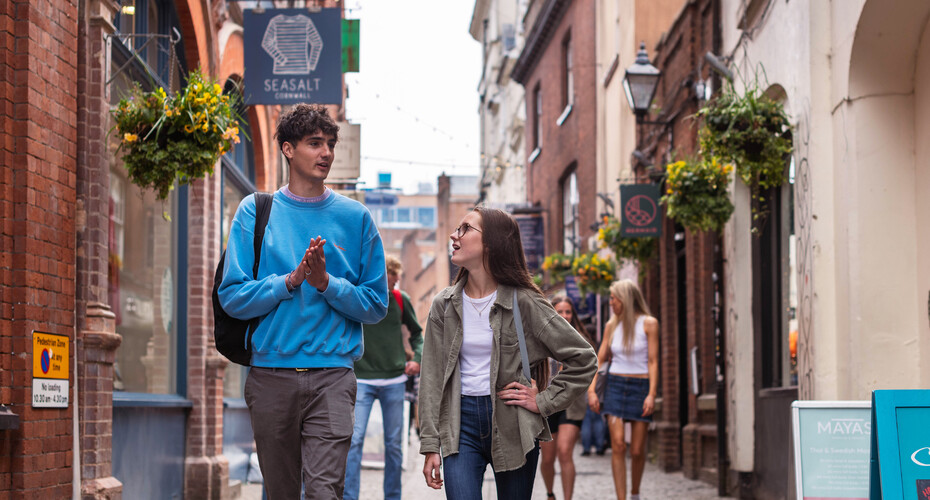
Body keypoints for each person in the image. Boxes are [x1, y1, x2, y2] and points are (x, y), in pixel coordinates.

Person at [218, 103, 388, 500]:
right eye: (315, 143)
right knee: (280, 493)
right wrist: (290, 281)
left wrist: (327, 283)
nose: (326, 152)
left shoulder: (356, 217)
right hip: (270, 377)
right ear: (288, 150)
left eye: (330, 143)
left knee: (324, 492)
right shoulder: (255, 211)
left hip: (333, 376)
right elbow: (232, 297)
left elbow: (376, 304)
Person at [419, 207, 598, 500]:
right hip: (459, 424)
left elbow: (584, 358)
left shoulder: (525, 302)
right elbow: (431, 377)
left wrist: (543, 401)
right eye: (456, 228)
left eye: (465, 229)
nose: (454, 235)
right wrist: (429, 445)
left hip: (513, 421)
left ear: (491, 243)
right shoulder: (444, 305)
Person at [344, 255, 423, 500]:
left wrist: (417, 359)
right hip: (362, 379)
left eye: (398, 276)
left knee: (394, 445)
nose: (397, 280)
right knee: (354, 442)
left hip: (394, 381)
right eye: (393, 275)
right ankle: (349, 497)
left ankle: (393, 497)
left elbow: (417, 334)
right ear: (380, 273)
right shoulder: (360, 296)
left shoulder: (400, 299)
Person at [587, 279, 659, 500]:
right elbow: (599, 359)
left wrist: (652, 394)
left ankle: (635, 494)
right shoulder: (611, 325)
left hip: (640, 387)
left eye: (614, 298)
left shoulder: (649, 324)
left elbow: (653, 361)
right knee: (618, 444)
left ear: (625, 299)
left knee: (637, 450)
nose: (611, 303)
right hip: (616, 386)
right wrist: (591, 390)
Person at [539, 296, 597, 500]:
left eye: (568, 312)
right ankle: (550, 494)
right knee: (547, 459)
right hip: (546, 403)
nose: (564, 315)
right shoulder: (541, 335)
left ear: (573, 315)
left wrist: (591, 392)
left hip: (572, 404)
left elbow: (592, 366)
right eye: (560, 311)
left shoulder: (580, 339)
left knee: (565, 452)